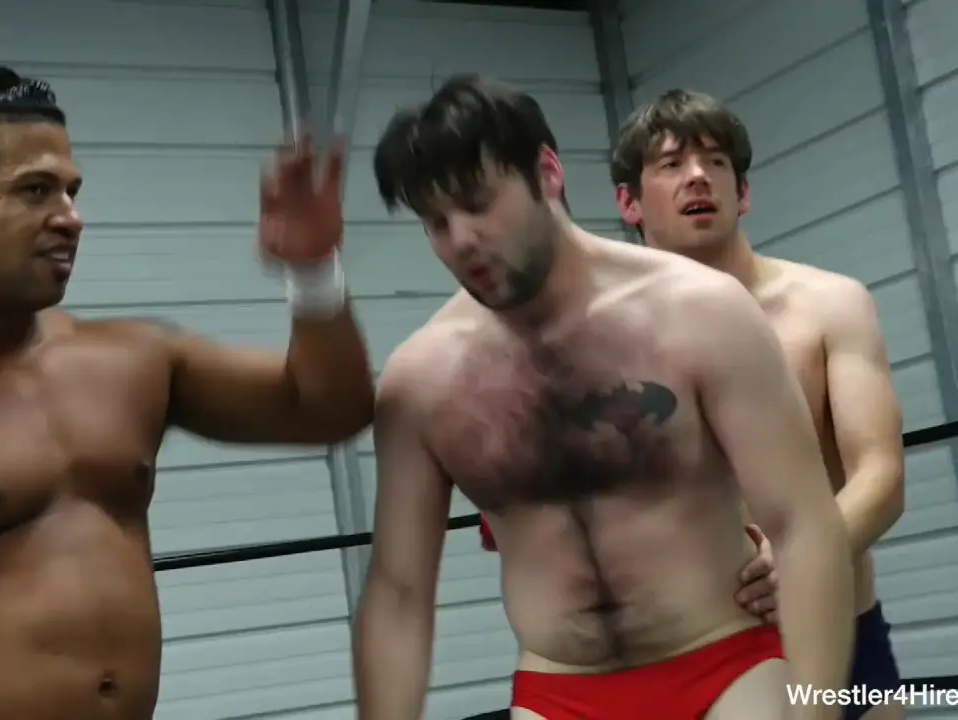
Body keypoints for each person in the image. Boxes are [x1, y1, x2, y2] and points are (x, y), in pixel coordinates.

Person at [0, 65, 375, 720]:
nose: (71, 219)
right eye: (35, 191)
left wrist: (314, 271)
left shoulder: (131, 361)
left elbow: (329, 409)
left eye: (71, 192)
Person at [353, 73, 854, 720]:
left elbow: (802, 525)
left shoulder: (699, 312)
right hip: (559, 690)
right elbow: (399, 594)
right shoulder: (421, 381)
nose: (461, 240)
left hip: (723, 661)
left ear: (547, 172)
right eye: (436, 222)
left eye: (478, 202)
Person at [611, 88, 907, 720]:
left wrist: (804, 559)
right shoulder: (609, 343)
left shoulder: (829, 305)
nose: (697, 176)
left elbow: (880, 475)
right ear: (628, 202)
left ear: (742, 193)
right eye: (671, 164)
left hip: (834, 627)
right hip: (693, 653)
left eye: (716, 162)